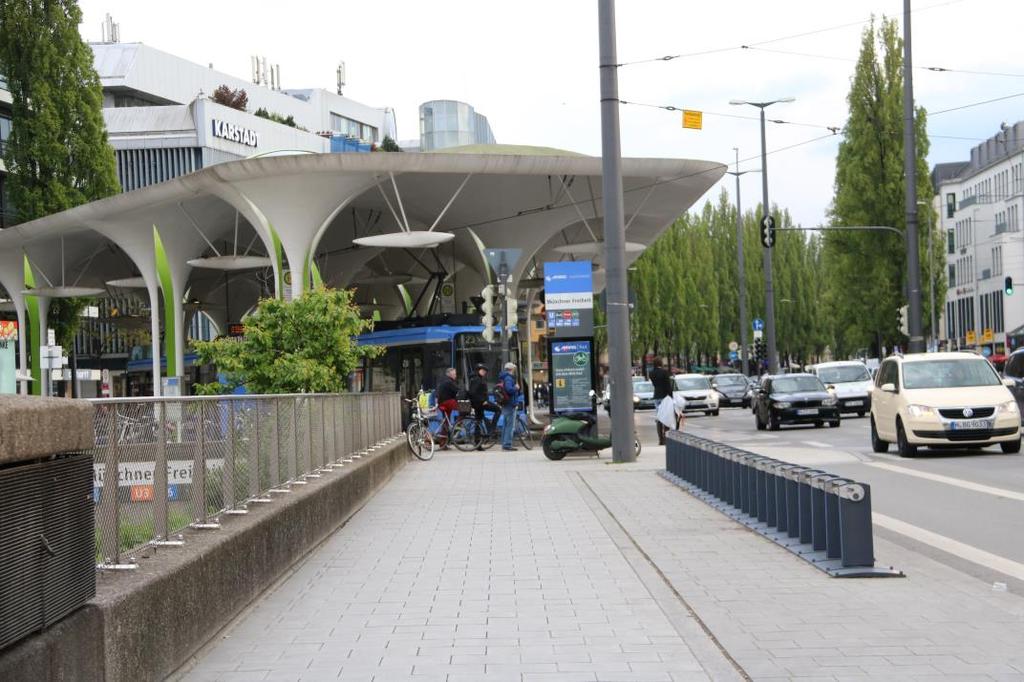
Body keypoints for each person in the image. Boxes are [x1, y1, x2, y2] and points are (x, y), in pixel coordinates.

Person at [468, 363, 500, 449]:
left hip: (478, 403)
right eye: (483, 370)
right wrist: (483, 401)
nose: (484, 372)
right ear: (478, 370)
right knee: (498, 410)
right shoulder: (477, 379)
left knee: (478, 421)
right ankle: (491, 429)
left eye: (485, 371)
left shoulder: (476, 378)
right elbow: (473, 392)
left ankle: (477, 444)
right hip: (480, 403)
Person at [496, 362, 521, 451]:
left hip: (506, 404)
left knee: (506, 425)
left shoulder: (504, 378)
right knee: (510, 426)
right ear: (512, 369)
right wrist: (516, 388)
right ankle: (507, 444)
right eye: (514, 369)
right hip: (510, 404)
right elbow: (509, 390)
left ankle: (504, 443)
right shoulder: (509, 378)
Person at [649, 358, 673, 445]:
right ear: (661, 363)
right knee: (666, 417)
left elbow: (655, 384)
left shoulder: (651, 373)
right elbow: (668, 385)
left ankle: (660, 439)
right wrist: (671, 396)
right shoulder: (664, 372)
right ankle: (666, 437)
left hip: (656, 396)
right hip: (665, 396)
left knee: (659, 417)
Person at [435, 367, 460, 446]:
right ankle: (457, 426)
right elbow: (458, 390)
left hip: (442, 403)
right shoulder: (449, 382)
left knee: (446, 422)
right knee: (464, 408)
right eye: (454, 374)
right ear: (450, 374)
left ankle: (443, 443)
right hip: (446, 402)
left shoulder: (444, 380)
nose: (456, 375)